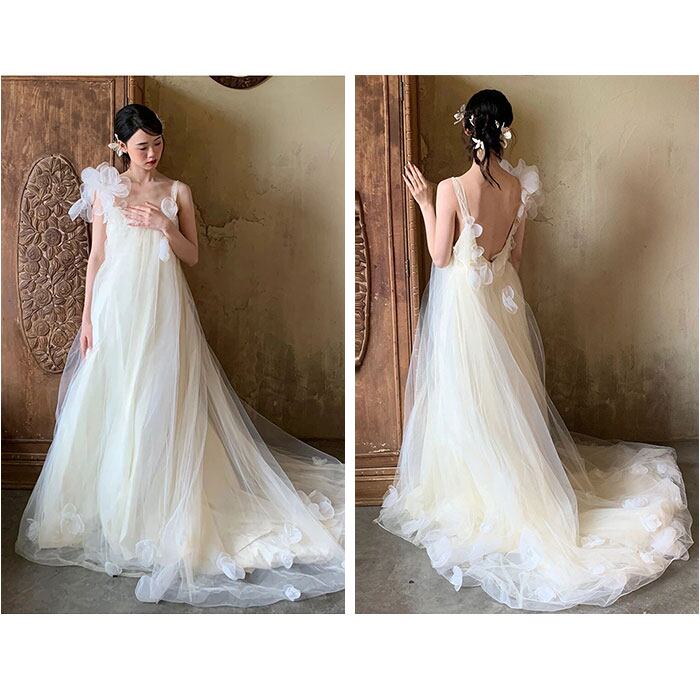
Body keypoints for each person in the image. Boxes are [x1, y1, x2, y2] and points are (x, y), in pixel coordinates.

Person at [15, 104, 344, 608]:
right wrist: (87, 319)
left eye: (157, 143)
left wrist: (163, 226)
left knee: (158, 401)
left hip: (164, 309)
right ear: (121, 146)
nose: (152, 154)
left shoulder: (178, 192)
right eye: (142, 146)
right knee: (116, 401)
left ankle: (161, 502)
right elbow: (96, 257)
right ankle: (119, 508)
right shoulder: (106, 191)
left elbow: (192, 255)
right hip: (116, 311)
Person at [377, 89, 692, 611]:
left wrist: (426, 202)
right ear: (504, 132)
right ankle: (517, 479)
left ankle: (481, 489)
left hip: (466, 309)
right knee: (507, 399)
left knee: (468, 400)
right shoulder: (520, 189)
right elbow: (516, 258)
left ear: (467, 130)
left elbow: (440, 257)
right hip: (503, 303)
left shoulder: (451, 188)